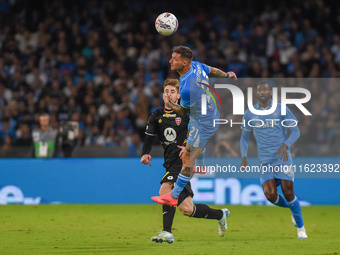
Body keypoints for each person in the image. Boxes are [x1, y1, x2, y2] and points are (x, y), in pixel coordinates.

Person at [151, 46, 237, 221]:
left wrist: (169, 102)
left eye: (174, 58)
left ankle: (173, 195)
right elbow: (212, 70)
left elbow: (182, 111)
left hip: (204, 123)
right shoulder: (197, 66)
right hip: (204, 116)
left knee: (186, 159)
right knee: (188, 152)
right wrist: (226, 75)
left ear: (184, 62)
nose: (170, 61)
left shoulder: (187, 89)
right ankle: (201, 162)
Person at [142, 78, 229, 243]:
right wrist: (145, 153)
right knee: (187, 209)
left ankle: (167, 232)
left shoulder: (187, 115)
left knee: (165, 190)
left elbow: (202, 138)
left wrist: (191, 148)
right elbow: (148, 137)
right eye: (166, 91)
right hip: (170, 163)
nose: (169, 94)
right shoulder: (157, 115)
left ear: (179, 95)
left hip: (183, 162)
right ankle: (220, 214)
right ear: (162, 95)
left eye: (172, 91)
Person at [240, 82, 308, 239]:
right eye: (259, 90)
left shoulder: (281, 109)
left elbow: (296, 131)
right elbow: (244, 138)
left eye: (265, 89)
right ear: (256, 94)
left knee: (288, 192)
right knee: (270, 195)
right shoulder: (250, 113)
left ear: (270, 92)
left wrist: (286, 145)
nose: (262, 92)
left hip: (282, 158)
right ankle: (293, 209)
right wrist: (244, 156)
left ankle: (301, 228)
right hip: (265, 161)